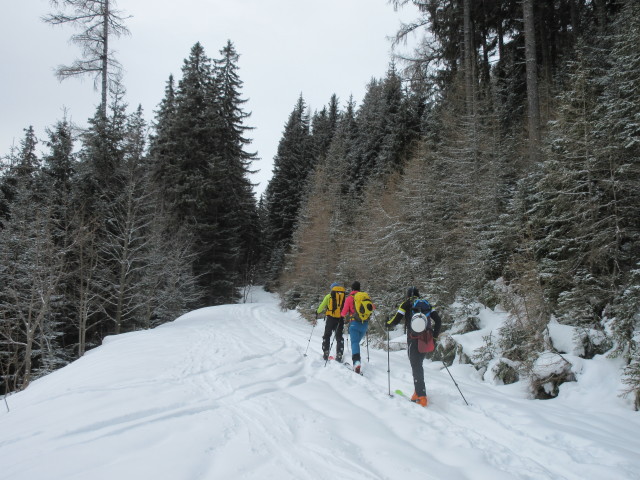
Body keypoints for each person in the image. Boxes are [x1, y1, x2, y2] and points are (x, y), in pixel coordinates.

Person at [387, 286, 442, 407]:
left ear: (408, 295)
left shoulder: (405, 304)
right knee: (418, 364)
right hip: (426, 339)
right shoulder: (427, 304)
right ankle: (417, 392)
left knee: (416, 366)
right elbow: (438, 321)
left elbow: (395, 321)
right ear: (418, 295)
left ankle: (422, 396)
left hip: (413, 339)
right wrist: (434, 337)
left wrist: (387, 323)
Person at [341, 281, 374, 373]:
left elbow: (343, 312)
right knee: (356, 343)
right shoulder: (365, 297)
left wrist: (342, 316)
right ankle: (356, 359)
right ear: (359, 288)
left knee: (354, 343)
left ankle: (356, 362)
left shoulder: (349, 298)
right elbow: (372, 308)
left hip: (354, 323)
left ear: (352, 289)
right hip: (365, 324)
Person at [316, 282, 346, 361]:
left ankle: (326, 352)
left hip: (330, 319)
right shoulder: (343, 297)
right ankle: (339, 354)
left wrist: (317, 312)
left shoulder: (329, 296)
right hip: (340, 319)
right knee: (339, 337)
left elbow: (322, 306)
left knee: (327, 335)